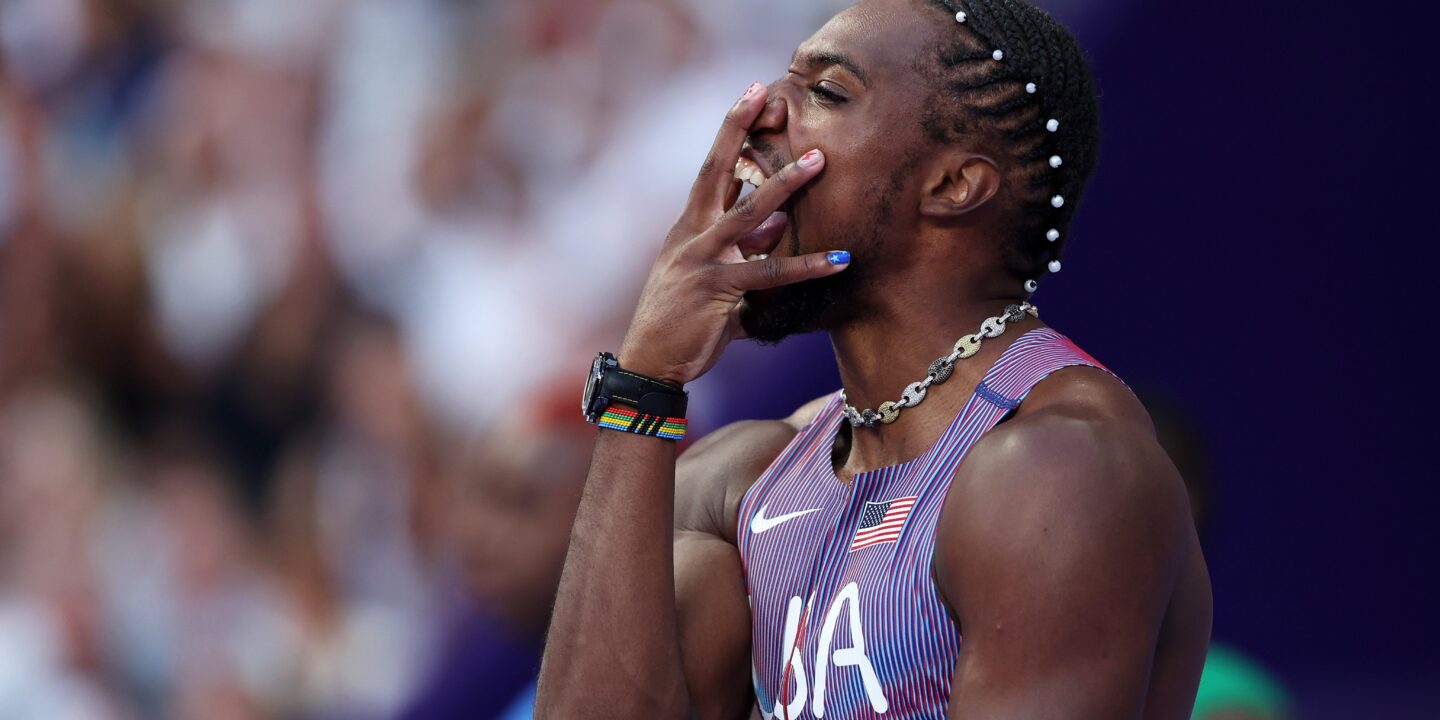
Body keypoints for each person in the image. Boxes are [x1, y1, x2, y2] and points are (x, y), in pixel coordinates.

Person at [536, 0, 1212, 718]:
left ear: (954, 185)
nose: (761, 110)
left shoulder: (1061, 474)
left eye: (825, 92)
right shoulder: (749, 476)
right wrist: (643, 387)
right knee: (698, 580)